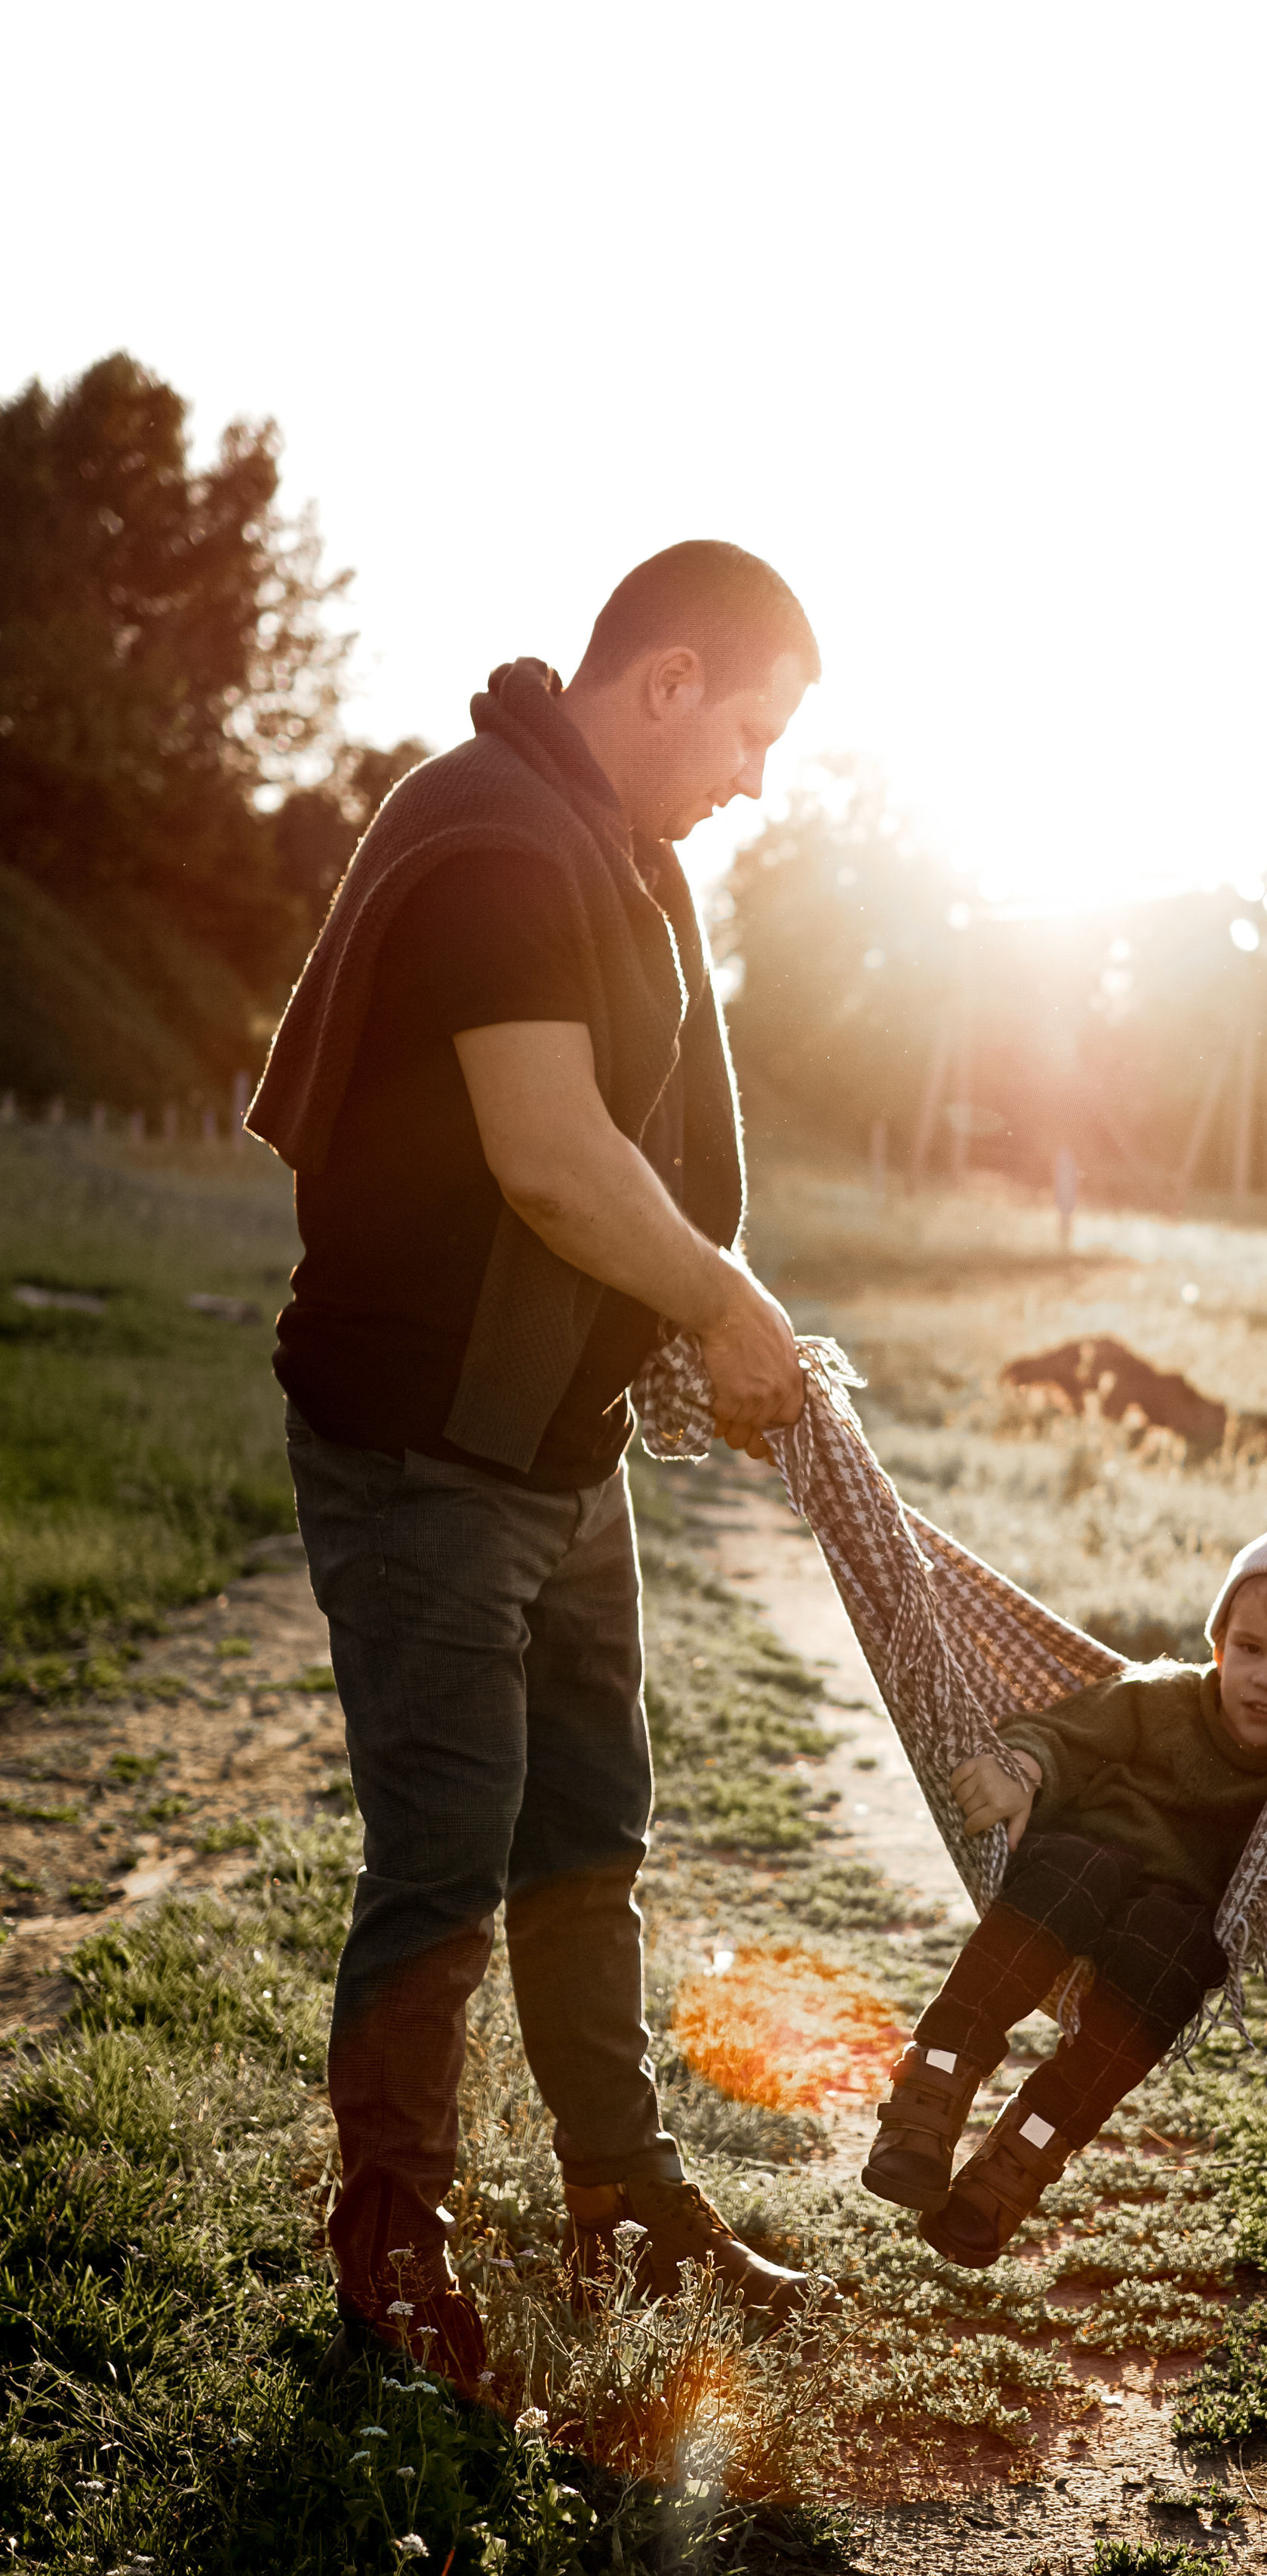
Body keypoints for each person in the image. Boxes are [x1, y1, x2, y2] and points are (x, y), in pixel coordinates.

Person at [248, 541, 829, 2388]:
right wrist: (726, 1305)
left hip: (557, 1447)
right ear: (664, 681)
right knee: (444, 1860)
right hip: (423, 1447)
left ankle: (619, 2191)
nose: (753, 778)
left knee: (590, 1832)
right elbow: (553, 1154)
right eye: (747, 731)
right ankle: (389, 2243)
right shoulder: (497, 837)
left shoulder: (611, 847)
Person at [863, 1525, 1267, 2265]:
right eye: (1250, 1648)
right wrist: (1024, 1770)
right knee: (1080, 1870)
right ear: (1218, 1646)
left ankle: (1022, 2155)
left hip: (1165, 1911)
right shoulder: (1160, 1695)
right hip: (1076, 1869)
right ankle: (933, 2084)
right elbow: (1062, 1734)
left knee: (1180, 1955)